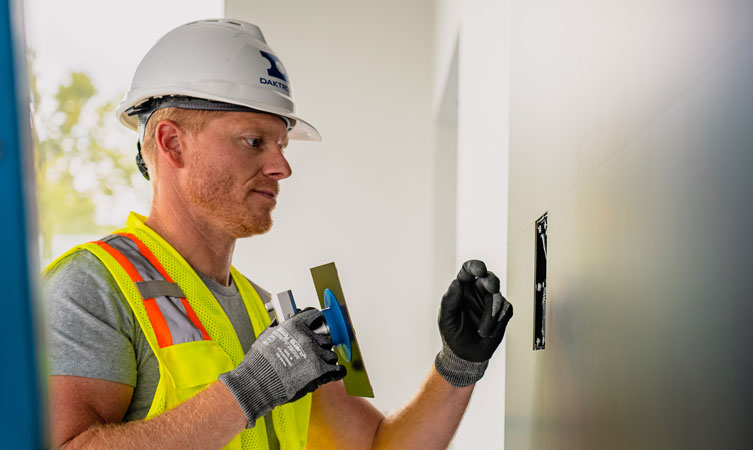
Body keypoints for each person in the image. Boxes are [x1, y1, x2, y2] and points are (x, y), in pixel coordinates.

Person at [43, 19, 513, 449]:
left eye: (282, 145)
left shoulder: (267, 313)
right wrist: (251, 390)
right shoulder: (92, 290)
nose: (282, 167)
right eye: (254, 142)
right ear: (172, 143)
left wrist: (457, 365)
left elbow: (378, 446)